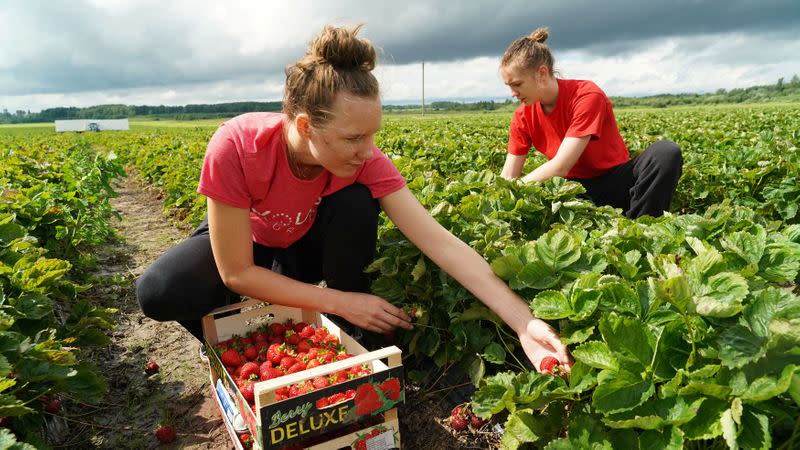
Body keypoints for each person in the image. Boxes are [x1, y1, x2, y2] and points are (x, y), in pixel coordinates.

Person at [136, 24, 570, 372]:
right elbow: (236, 272)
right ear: (305, 126)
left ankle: (346, 332)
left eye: (373, 135)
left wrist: (523, 322)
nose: (368, 150)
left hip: (304, 250)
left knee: (357, 202)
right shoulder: (237, 146)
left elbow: (439, 242)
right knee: (159, 290)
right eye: (353, 138)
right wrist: (339, 300)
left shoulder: (366, 160)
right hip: (252, 247)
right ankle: (232, 346)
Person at [498, 27, 683, 218]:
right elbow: (508, 175)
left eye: (517, 84)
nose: (512, 93)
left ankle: (641, 226)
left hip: (616, 184)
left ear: (542, 73)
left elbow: (561, 165)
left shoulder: (586, 95)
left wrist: (517, 188)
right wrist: (494, 198)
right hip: (573, 192)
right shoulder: (522, 116)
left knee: (666, 153)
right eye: (508, 86)